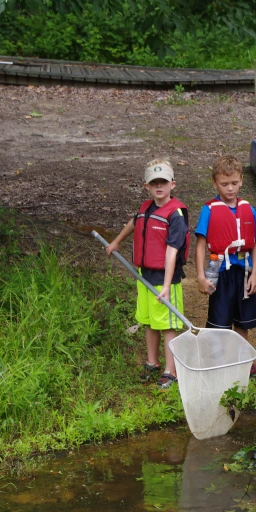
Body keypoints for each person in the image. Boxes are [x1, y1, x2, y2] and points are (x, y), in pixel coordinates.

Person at [106, 159, 190, 389]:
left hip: (165, 278)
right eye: (154, 183)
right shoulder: (146, 207)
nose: (159, 186)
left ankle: (170, 371)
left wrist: (165, 285)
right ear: (147, 186)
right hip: (145, 275)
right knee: (149, 322)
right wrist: (115, 242)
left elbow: (172, 251)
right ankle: (152, 363)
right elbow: (135, 222)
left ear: (173, 184)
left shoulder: (175, 215)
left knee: (167, 325)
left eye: (163, 182)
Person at [194, 156, 256, 361]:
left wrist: (255, 273)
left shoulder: (248, 209)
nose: (230, 189)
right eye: (224, 184)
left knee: (242, 322)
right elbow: (200, 245)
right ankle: (218, 362)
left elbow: (254, 244)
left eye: (234, 183)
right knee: (219, 323)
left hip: (244, 274)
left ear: (241, 180)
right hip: (221, 273)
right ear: (215, 183)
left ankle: (242, 362)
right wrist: (200, 275)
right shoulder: (208, 210)